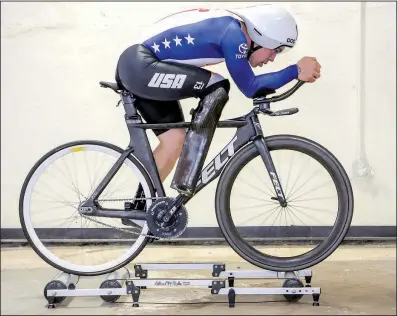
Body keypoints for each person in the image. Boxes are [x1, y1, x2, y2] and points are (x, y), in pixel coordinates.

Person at [115, 4, 321, 218]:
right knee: (217, 86)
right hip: (140, 66)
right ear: (263, 37)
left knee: (174, 140)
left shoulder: (230, 28)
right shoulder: (234, 36)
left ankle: (140, 210)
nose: (272, 58)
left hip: (141, 66)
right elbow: (250, 87)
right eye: (275, 50)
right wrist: (295, 71)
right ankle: (188, 176)